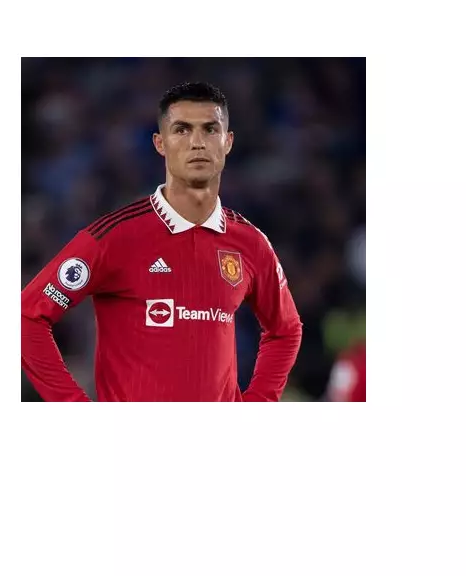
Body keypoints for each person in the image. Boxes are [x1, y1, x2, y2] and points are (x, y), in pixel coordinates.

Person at [21, 82, 303, 401]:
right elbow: (28, 316)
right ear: (160, 143)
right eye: (182, 130)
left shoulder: (250, 243)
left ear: (228, 142)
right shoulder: (115, 236)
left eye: (210, 129)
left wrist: (259, 401)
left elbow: (285, 329)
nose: (197, 142)